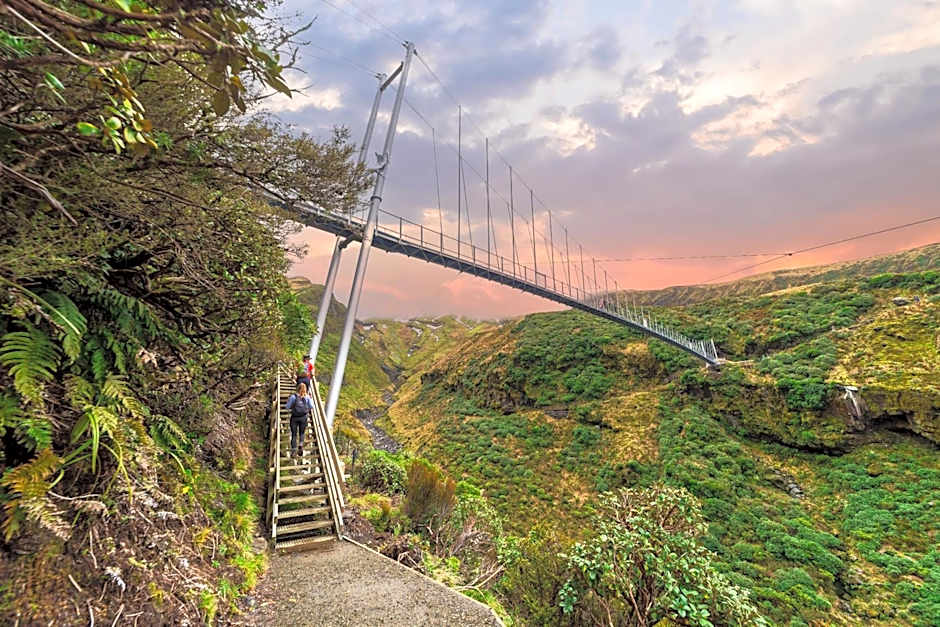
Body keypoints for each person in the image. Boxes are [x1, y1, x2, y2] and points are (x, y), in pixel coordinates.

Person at [285, 383, 313, 458]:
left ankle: (294, 450)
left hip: (294, 417)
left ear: (297, 388)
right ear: (305, 389)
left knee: (294, 434)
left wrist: (291, 406)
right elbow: (311, 406)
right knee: (302, 433)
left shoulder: (293, 397)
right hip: (303, 417)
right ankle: (300, 444)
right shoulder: (307, 397)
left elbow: (287, 407)